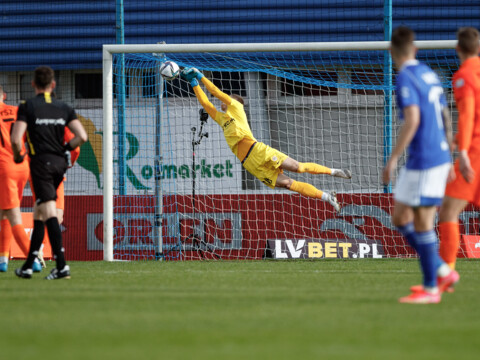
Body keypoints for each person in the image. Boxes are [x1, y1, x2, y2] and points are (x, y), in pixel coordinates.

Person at [180, 68, 352, 211]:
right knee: (288, 184)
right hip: (250, 163)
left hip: (258, 151)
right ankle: (326, 196)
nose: (225, 100)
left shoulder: (237, 107)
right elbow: (206, 104)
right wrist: (194, 83)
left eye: (229, 97)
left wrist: (200, 76)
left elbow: (215, 92)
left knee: (297, 167)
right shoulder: (221, 118)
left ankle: (334, 171)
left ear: (235, 101)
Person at [383, 26, 459, 304]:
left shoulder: (404, 77)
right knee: (400, 217)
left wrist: (392, 159)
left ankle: (431, 289)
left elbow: (413, 120)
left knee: (423, 223)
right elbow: (444, 114)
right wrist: (449, 150)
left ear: (393, 52)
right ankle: (440, 270)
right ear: (415, 49)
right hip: (430, 157)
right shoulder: (430, 74)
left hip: (426, 159)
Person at [11, 66, 87, 280]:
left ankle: (62, 266)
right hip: (59, 165)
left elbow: (16, 139)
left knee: (49, 213)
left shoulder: (27, 107)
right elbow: (81, 136)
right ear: (53, 85)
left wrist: (18, 156)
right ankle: (28, 265)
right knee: (39, 213)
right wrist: (64, 149)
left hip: (40, 165)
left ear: (33, 84)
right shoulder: (64, 107)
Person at [438, 27, 480, 272]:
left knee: (448, 211)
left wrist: (462, 151)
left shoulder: (464, 76)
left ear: (457, 49)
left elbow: (467, 115)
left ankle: (446, 274)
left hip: (475, 151)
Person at [0, 85, 42, 273]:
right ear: (4, 95)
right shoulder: (17, 110)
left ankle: (32, 259)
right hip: (21, 165)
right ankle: (2, 259)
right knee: (5, 211)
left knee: (12, 213)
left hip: (4, 167)